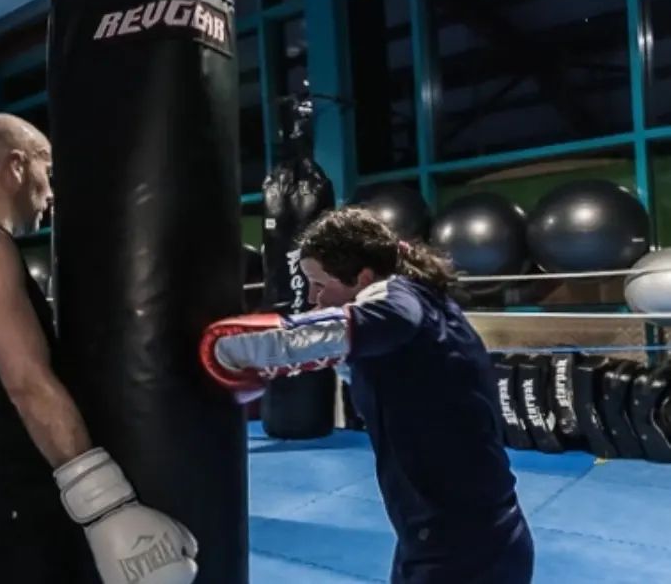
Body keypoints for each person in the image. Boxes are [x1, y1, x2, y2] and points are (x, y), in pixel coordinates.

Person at [0, 113, 198, 584]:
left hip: (19, 498)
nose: (50, 194)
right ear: (15, 166)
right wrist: (108, 506)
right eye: (45, 172)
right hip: (13, 501)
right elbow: (28, 382)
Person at [201, 207, 534, 584]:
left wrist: (228, 349)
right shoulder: (427, 306)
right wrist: (260, 374)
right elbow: (352, 351)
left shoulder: (398, 300)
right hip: (461, 533)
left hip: (460, 546)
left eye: (319, 283)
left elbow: (372, 321)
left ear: (362, 277)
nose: (312, 297)